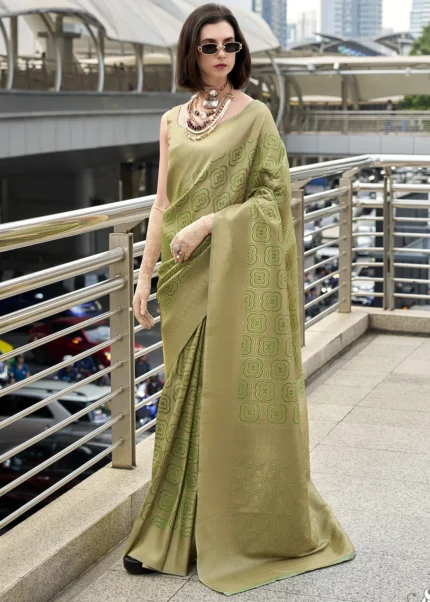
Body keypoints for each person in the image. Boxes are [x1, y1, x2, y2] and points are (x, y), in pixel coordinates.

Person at [122, 3, 355, 596]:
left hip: (228, 274)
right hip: (182, 280)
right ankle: (172, 534)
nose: (222, 55)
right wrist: (143, 277)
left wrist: (211, 225)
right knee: (180, 404)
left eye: (230, 45)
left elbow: (274, 200)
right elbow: (161, 204)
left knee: (221, 403)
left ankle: (230, 530)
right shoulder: (172, 120)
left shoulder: (256, 118)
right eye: (210, 46)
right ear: (191, 52)